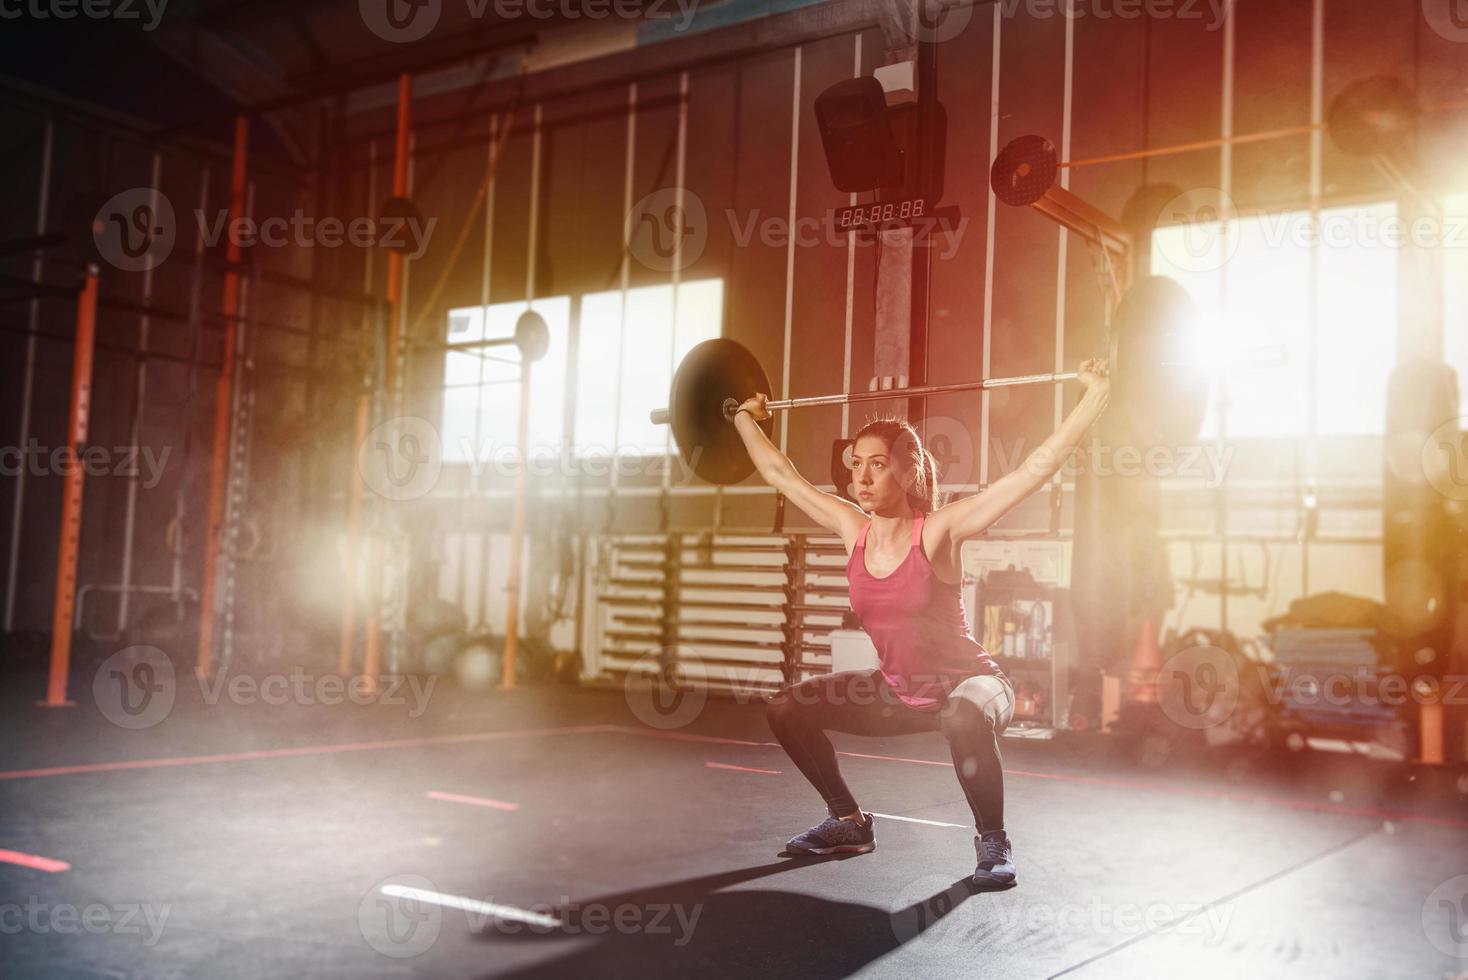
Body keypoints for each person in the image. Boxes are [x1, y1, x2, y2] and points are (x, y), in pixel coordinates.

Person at [733, 359, 1110, 890]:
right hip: (900, 692)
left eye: (879, 464)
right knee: (786, 706)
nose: (861, 476)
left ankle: (993, 841)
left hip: (973, 688)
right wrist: (744, 419)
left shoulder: (939, 531)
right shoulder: (852, 528)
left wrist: (1094, 396)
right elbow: (779, 474)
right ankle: (847, 822)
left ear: (908, 472)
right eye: (856, 463)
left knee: (960, 715)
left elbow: (1032, 472)